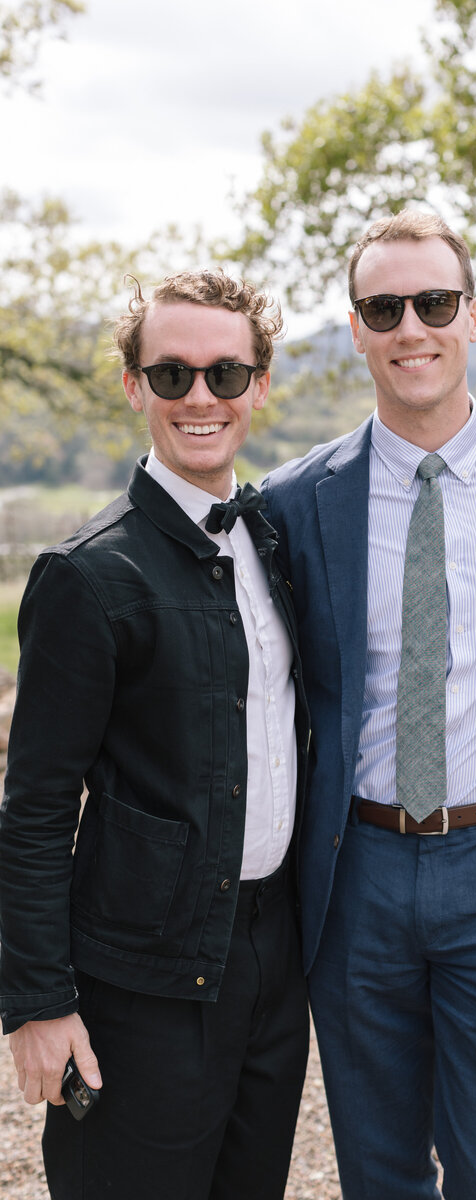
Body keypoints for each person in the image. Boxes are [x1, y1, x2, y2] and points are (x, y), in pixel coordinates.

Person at [263, 210, 476, 1200]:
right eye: (383, 307)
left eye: (434, 302)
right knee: (380, 1175)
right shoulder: (292, 502)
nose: (412, 327)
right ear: (355, 328)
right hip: (352, 871)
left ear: (473, 316)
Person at [0, 269, 311, 1200]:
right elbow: (36, 808)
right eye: (171, 375)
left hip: (271, 961)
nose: (200, 397)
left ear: (259, 385)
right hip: (139, 977)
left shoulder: (274, 544)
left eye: (225, 373)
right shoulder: (85, 577)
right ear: (134, 386)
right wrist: (38, 1003)